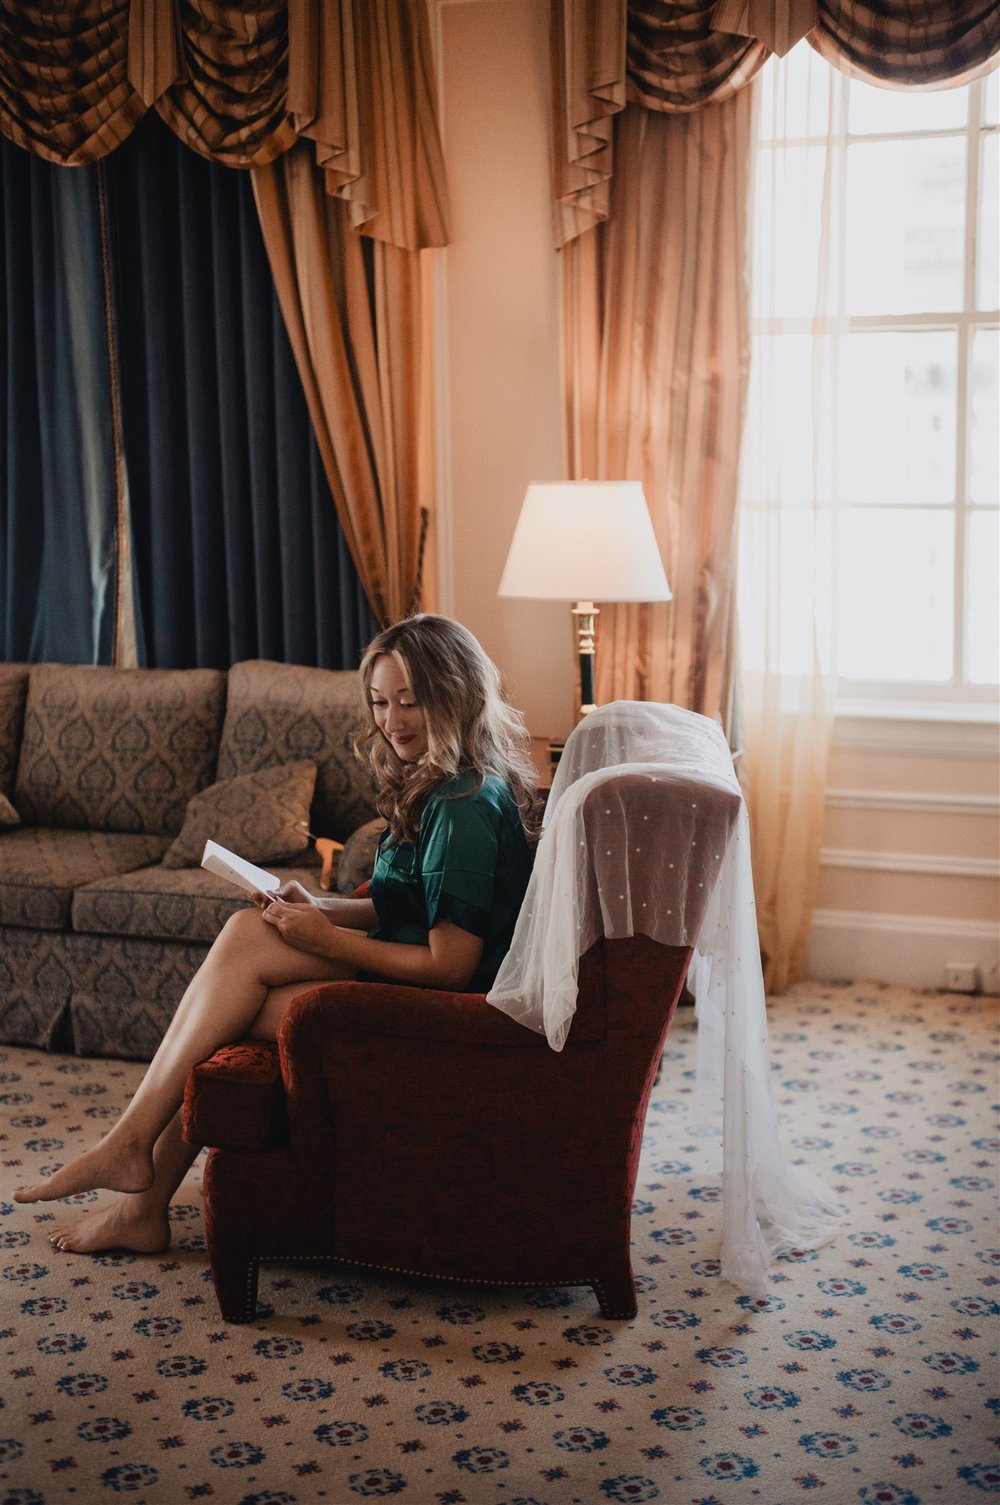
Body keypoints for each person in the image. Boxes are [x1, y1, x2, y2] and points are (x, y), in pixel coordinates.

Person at [15, 614, 537, 1255]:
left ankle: (132, 1169)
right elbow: (402, 904)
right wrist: (315, 905)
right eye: (379, 701)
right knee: (243, 941)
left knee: (230, 997)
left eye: (412, 699)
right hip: (412, 981)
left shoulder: (463, 807)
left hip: (452, 1014)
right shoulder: (446, 781)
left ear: (455, 693)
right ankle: (134, 1181)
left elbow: (451, 966)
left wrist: (323, 938)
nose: (393, 720)